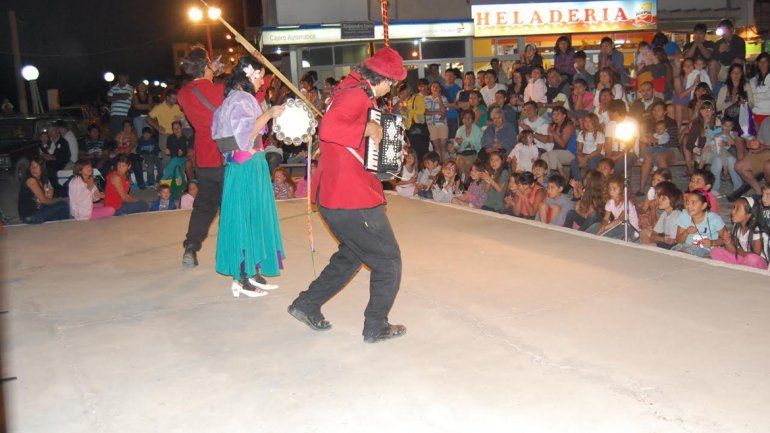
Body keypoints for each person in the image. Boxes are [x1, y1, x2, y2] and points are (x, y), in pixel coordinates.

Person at [288, 47, 408, 343]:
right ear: (381, 78)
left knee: (352, 256)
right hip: (351, 197)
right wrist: (369, 128)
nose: (389, 89)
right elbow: (329, 129)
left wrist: (383, 146)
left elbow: (345, 139)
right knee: (389, 260)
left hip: (336, 194)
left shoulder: (350, 88)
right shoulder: (355, 94)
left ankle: (306, 303)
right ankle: (375, 326)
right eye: (390, 83)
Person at [211, 55, 285, 298]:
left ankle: (250, 271)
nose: (263, 82)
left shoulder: (236, 99)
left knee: (252, 219)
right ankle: (242, 276)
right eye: (261, 76)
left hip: (249, 166)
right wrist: (270, 113)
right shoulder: (241, 99)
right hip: (245, 168)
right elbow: (245, 137)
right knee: (245, 219)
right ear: (250, 74)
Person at [178, 46, 226, 269]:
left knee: (204, 205)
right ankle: (234, 252)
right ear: (207, 66)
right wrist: (216, 74)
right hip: (224, 153)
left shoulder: (183, 94)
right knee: (231, 204)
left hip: (203, 157)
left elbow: (201, 89)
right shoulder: (220, 90)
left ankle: (191, 247)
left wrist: (210, 71)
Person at [711, 197, 768, 268]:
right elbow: (732, 250)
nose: (733, 211)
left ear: (749, 214)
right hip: (742, 258)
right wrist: (727, 242)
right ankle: (739, 266)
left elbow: (756, 255)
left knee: (752, 259)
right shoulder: (737, 227)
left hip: (758, 262)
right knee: (716, 251)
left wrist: (738, 251)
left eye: (737, 209)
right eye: (734, 208)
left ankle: (738, 266)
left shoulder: (757, 231)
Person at [673, 189, 727, 257]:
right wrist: (686, 232)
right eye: (687, 202)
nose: (689, 206)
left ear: (703, 206)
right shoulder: (684, 214)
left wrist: (712, 242)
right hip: (685, 247)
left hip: (705, 250)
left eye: (693, 203)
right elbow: (678, 240)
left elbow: (726, 239)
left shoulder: (714, 219)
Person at [18, 157, 70, 224]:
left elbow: (47, 200)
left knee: (59, 209)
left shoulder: (42, 180)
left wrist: (50, 193)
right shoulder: (31, 180)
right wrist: (58, 199)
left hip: (37, 211)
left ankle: (55, 228)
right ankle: (61, 227)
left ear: (42, 168)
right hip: (30, 216)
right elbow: (44, 200)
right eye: (32, 166)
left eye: (36, 166)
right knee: (63, 205)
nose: (33, 169)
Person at [599, 174, 640, 239]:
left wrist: (605, 228)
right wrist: (603, 224)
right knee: (597, 226)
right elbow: (606, 218)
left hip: (630, 228)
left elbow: (620, 219)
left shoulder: (627, 203)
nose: (611, 191)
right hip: (618, 226)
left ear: (622, 190)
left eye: (614, 189)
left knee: (608, 233)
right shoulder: (610, 202)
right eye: (609, 189)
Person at [541, 106, 577, 178]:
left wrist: (553, 132)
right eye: (554, 114)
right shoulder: (554, 126)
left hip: (571, 153)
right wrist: (551, 133)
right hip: (557, 152)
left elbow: (563, 144)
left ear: (564, 116)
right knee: (543, 156)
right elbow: (551, 140)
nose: (556, 116)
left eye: (558, 114)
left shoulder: (569, 126)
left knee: (551, 154)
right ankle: (545, 179)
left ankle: (563, 175)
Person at [147, 90, 184, 159]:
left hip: (176, 135)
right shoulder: (159, 107)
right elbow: (148, 118)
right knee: (166, 158)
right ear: (167, 98)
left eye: (176, 99)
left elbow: (182, 120)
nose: (175, 100)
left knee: (177, 158)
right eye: (173, 98)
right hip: (165, 135)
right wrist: (157, 127)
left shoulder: (177, 107)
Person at [570, 113, 605, 181]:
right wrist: (580, 157)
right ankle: (579, 181)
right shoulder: (582, 133)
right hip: (585, 154)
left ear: (595, 122)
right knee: (573, 162)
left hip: (597, 155)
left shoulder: (599, 134)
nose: (587, 123)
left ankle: (592, 181)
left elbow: (598, 150)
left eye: (590, 121)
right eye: (585, 121)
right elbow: (579, 148)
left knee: (591, 162)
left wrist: (586, 157)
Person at [711, 19, 746, 85]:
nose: (723, 33)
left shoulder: (739, 41)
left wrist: (729, 49)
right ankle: (714, 90)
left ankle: (735, 86)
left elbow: (741, 56)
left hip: (735, 66)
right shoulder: (718, 43)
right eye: (721, 30)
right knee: (713, 63)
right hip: (722, 67)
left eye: (724, 30)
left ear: (732, 30)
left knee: (737, 60)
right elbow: (713, 58)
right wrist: (719, 51)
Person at [425, 81, 449, 161]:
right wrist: (438, 112)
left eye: (437, 87)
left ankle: (444, 163)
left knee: (443, 146)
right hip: (431, 125)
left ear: (440, 89)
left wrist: (439, 99)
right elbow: (426, 112)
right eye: (433, 87)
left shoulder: (444, 98)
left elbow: (444, 111)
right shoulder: (426, 98)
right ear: (430, 89)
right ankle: (439, 165)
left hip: (442, 124)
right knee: (436, 147)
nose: (435, 88)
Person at [750, 52, 770, 130]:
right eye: (760, 62)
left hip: (768, 114)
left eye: (765, 62)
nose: (762, 64)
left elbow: (769, 95)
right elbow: (751, 97)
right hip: (756, 114)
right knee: (757, 140)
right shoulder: (753, 80)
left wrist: (756, 95)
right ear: (757, 64)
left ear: (768, 63)